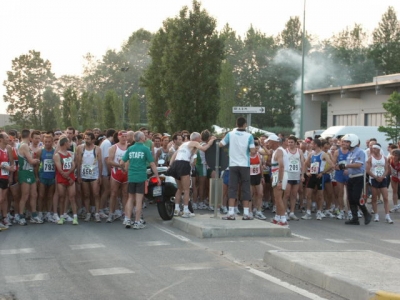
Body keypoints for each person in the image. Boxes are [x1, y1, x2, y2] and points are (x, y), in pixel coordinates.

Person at [170, 132, 216, 218]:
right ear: (197, 138)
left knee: (179, 188)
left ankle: (176, 209)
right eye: (199, 138)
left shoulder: (183, 144)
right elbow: (204, 149)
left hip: (176, 164)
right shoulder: (194, 143)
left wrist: (170, 165)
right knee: (186, 189)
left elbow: (175, 154)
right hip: (184, 164)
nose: (200, 140)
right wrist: (210, 143)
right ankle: (185, 210)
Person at [121, 131, 160, 229]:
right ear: (141, 138)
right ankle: (137, 221)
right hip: (141, 177)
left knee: (130, 198)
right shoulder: (145, 149)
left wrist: (124, 169)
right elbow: (152, 163)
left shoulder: (130, 148)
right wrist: (157, 176)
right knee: (139, 200)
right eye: (144, 137)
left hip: (131, 176)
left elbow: (122, 162)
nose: (145, 138)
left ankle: (128, 219)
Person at [219, 117, 255, 220]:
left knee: (232, 188)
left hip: (233, 164)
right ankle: (246, 213)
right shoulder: (249, 136)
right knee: (245, 189)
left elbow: (221, 144)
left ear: (236, 123)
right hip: (244, 165)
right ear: (245, 124)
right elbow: (253, 151)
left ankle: (231, 213)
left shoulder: (230, 134)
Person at [340, 134, 372, 225]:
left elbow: (358, 165)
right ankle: (355, 218)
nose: (345, 143)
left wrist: (346, 166)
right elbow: (350, 165)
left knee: (356, 197)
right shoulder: (350, 153)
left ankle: (366, 214)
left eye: (347, 142)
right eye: (345, 142)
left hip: (358, 177)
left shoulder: (360, 152)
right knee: (350, 198)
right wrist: (346, 170)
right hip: (351, 177)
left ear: (353, 142)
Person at [301, 138, 334, 221]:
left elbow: (331, 165)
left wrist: (322, 172)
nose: (311, 145)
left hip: (319, 176)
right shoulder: (311, 154)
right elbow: (305, 163)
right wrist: (306, 173)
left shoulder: (323, 154)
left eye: (312, 144)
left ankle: (319, 211)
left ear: (315, 145)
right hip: (312, 175)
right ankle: (308, 212)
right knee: (308, 194)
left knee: (320, 195)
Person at [76, 131, 103, 222]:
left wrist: (100, 176)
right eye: (85, 138)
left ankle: (97, 213)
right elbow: (78, 162)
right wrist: (78, 175)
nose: (86, 140)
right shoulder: (80, 148)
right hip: (84, 174)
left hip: (94, 175)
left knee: (96, 194)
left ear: (93, 140)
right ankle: (88, 212)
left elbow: (100, 163)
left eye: (88, 139)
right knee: (86, 194)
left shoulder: (97, 149)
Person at [17, 129, 42, 225]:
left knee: (34, 195)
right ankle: (20, 216)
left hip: (30, 172)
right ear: (29, 136)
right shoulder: (23, 145)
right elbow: (31, 161)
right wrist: (37, 160)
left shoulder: (26, 145)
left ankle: (34, 215)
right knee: (25, 195)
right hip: (25, 172)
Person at [54, 135, 78, 225]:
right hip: (62, 179)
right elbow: (59, 169)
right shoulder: (57, 155)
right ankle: (61, 217)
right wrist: (67, 176)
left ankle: (75, 217)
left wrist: (69, 175)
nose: (70, 144)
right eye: (68, 142)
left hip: (70, 178)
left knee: (72, 197)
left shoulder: (69, 153)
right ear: (64, 143)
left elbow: (73, 165)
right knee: (62, 198)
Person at [366, 143, 393, 223]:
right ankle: (376, 215)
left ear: (378, 149)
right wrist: (375, 177)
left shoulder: (384, 158)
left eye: (375, 148)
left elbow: (387, 169)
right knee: (374, 197)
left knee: (385, 197)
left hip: (382, 179)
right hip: (374, 179)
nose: (373, 150)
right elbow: (367, 170)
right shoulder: (370, 158)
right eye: (372, 148)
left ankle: (387, 215)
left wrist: (382, 176)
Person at [107, 131, 128, 223]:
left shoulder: (129, 147)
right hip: (116, 172)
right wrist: (120, 166)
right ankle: (111, 213)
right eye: (122, 136)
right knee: (113, 193)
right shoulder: (113, 147)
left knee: (125, 193)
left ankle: (124, 213)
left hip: (126, 173)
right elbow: (109, 161)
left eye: (125, 136)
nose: (124, 138)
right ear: (118, 137)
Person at [267, 134, 289, 225]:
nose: (268, 143)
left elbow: (281, 166)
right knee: (277, 197)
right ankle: (278, 217)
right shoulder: (277, 151)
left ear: (273, 142)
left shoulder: (279, 151)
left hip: (280, 175)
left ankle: (283, 219)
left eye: (269, 141)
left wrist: (280, 181)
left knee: (278, 197)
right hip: (277, 174)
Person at [283, 136, 305, 221]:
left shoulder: (299, 151)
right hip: (288, 175)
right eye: (289, 142)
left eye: (292, 142)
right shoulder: (285, 151)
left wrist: (302, 175)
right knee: (286, 194)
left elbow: (302, 164)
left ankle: (292, 212)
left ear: (295, 143)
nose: (290, 144)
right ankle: (284, 212)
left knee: (294, 194)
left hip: (296, 175)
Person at [36, 134, 56, 222]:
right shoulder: (40, 151)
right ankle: (40, 213)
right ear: (43, 142)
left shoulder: (55, 151)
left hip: (52, 176)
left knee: (50, 196)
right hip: (43, 176)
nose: (47, 143)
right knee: (41, 195)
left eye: (49, 142)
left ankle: (48, 213)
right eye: (45, 142)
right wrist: (36, 176)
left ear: (52, 142)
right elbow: (36, 165)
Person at [0, 133, 15, 230]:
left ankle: (5, 218)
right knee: (0, 199)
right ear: (1, 139)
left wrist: (11, 173)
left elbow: (11, 162)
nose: (8, 139)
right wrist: (7, 167)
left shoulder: (7, 149)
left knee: (4, 199)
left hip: (5, 176)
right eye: (6, 137)